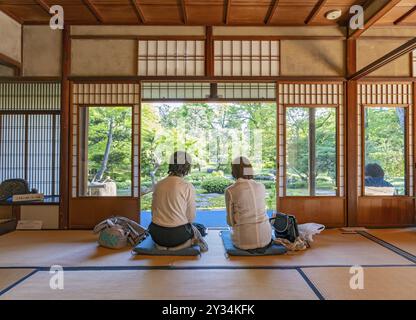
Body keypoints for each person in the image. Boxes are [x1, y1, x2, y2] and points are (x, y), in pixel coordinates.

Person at [149, 151, 206, 249]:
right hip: (178, 235)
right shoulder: (187, 186)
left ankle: (162, 246)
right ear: (187, 167)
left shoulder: (159, 184)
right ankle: (183, 245)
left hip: (156, 234)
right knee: (200, 228)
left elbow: (153, 212)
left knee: (196, 227)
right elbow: (191, 218)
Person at [225, 156, 273, 252]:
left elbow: (230, 222)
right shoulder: (261, 186)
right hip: (266, 238)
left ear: (233, 171)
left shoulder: (230, 190)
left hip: (243, 241)